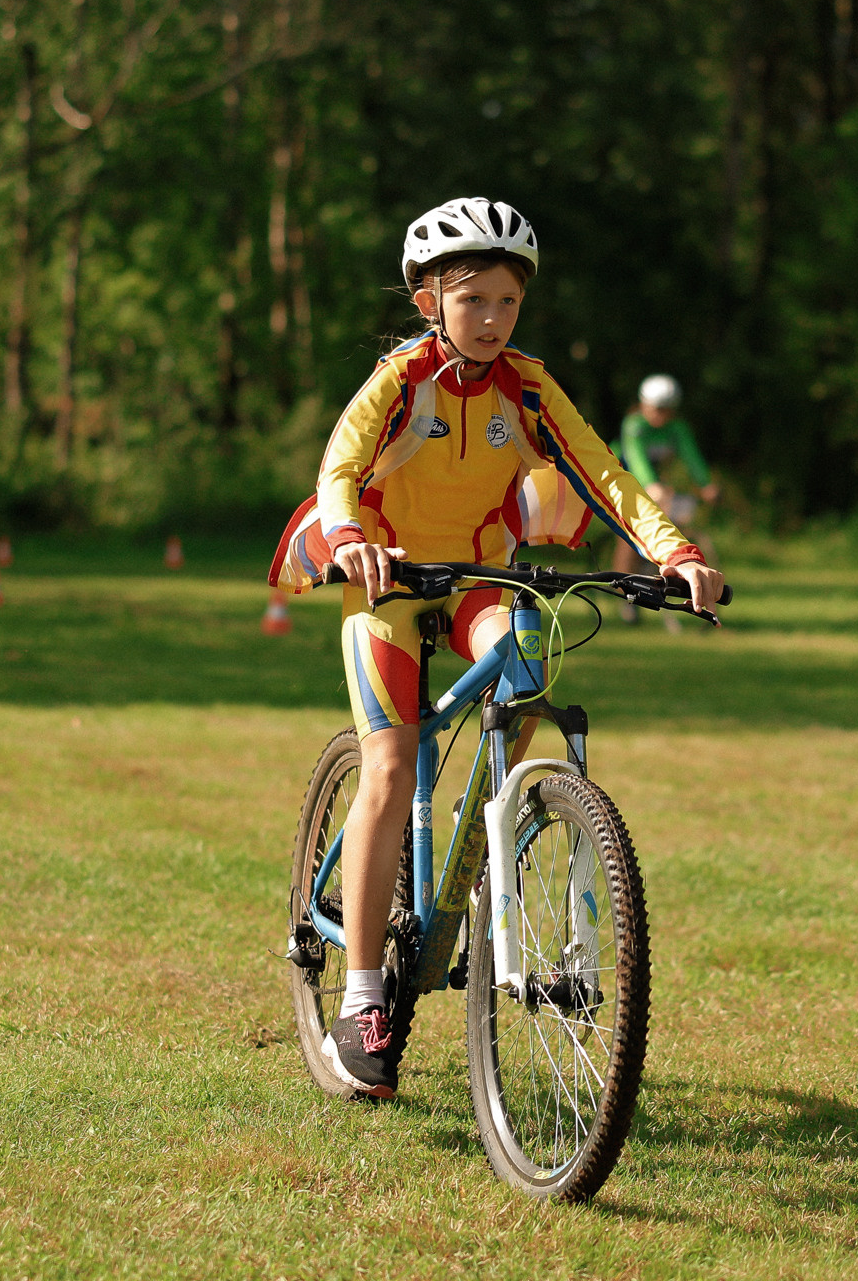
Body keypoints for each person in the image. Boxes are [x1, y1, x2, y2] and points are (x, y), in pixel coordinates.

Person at [265, 196, 724, 1098]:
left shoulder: (528, 387)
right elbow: (340, 468)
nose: (490, 319)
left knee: (525, 667)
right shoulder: (401, 382)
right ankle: (363, 994)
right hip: (388, 579)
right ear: (429, 300)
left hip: (480, 576)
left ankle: (493, 870)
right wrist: (353, 534)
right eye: (471, 300)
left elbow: (604, 473)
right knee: (391, 769)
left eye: (507, 302)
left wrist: (676, 552)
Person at [613, 374, 721, 624]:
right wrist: (651, 485)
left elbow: (691, 456)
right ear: (644, 405)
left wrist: (706, 485)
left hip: (657, 487)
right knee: (628, 535)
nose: (661, 415)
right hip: (623, 481)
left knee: (678, 519)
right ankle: (625, 597)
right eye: (656, 409)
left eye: (667, 410)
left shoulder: (676, 429)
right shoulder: (634, 425)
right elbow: (637, 458)